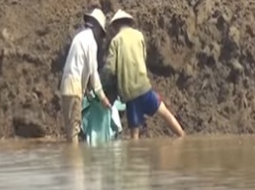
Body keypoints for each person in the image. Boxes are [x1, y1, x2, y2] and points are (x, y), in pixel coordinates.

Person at [103, 10, 184, 140]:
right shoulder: (139, 35)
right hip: (144, 88)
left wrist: (104, 83)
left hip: (130, 95)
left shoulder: (116, 41)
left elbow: (110, 69)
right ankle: (183, 137)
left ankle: (135, 158)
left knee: (134, 133)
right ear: (129, 23)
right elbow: (143, 56)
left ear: (116, 26)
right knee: (165, 113)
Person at [59, 8, 111, 143]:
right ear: (99, 29)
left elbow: (79, 66)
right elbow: (93, 73)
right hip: (74, 88)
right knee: (74, 130)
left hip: (66, 86)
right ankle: (76, 161)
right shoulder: (91, 42)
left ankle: (72, 160)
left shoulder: (80, 37)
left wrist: (87, 91)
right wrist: (103, 98)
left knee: (70, 130)